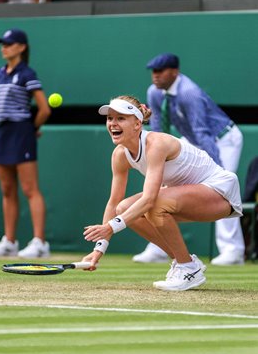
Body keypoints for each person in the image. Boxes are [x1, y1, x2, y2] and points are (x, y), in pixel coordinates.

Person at [81, 95, 242, 291]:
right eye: (110, 118)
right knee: (124, 208)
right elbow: (114, 204)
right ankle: (184, 263)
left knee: (153, 204)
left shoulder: (156, 144)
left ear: (137, 123)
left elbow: (149, 199)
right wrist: (99, 249)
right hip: (186, 197)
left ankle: (188, 268)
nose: (113, 124)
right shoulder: (119, 155)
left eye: (120, 118)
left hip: (220, 194)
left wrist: (111, 228)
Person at [133, 53, 245, 266]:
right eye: (153, 72)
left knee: (222, 192)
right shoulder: (154, 93)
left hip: (221, 139)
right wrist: (159, 164)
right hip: (192, 139)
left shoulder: (189, 93)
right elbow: (157, 131)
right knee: (160, 189)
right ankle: (158, 246)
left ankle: (233, 251)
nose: (155, 76)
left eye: (160, 71)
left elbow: (203, 133)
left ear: (174, 72)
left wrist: (216, 173)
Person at [0, 28, 51, 258]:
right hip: (2, 133)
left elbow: (44, 109)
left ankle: (40, 243)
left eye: (9, 43)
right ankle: (9, 241)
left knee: (29, 188)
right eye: (2, 44)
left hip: (21, 132)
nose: (4, 47)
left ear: (21, 47)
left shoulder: (27, 73)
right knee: (7, 189)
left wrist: (32, 129)